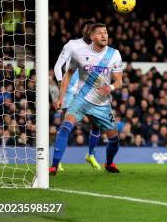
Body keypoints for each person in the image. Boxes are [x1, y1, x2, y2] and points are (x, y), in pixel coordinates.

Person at [50, 23, 123, 175]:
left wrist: (111, 87)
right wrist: (61, 97)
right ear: (92, 36)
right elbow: (68, 74)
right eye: (100, 33)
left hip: (102, 103)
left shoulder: (114, 54)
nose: (104, 35)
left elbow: (119, 81)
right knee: (65, 127)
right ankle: (54, 166)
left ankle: (109, 163)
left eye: (106, 32)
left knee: (114, 139)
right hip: (82, 99)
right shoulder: (79, 53)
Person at [53, 19, 103, 171]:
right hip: (70, 93)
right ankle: (57, 161)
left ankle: (90, 155)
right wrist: (63, 84)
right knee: (66, 127)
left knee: (96, 125)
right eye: (88, 29)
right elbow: (57, 66)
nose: (90, 32)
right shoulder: (72, 45)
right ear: (83, 30)